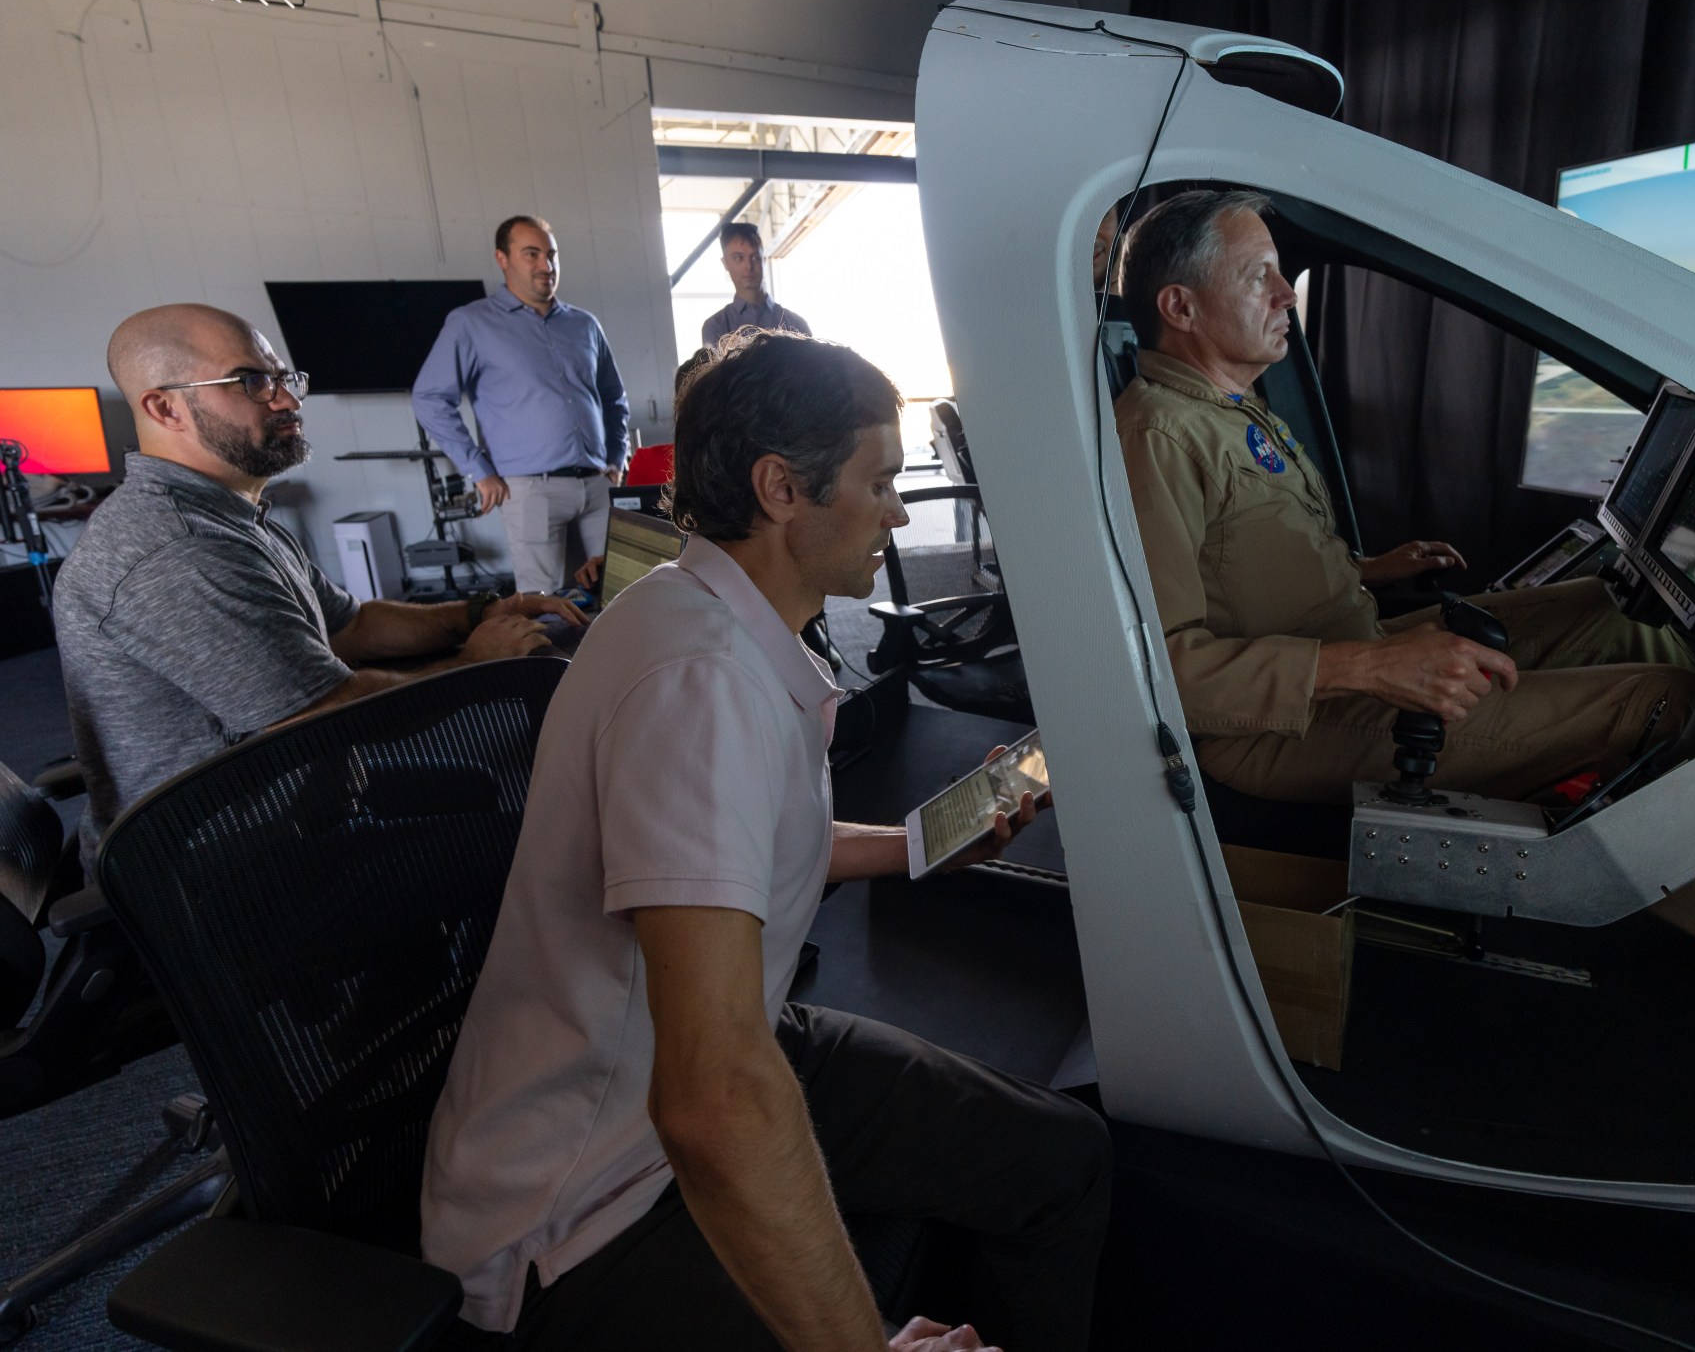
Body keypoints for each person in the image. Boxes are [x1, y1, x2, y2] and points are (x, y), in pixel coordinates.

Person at [1111, 188, 1695, 1056]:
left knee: (1610, 604)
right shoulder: (1159, 433)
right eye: (1256, 275)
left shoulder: (1230, 408)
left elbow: (1239, 565)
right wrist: (1372, 669)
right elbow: (1164, 668)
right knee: (1661, 705)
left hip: (1343, 650)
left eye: (1282, 270)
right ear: (1180, 307)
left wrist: (1365, 572)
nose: (1285, 292)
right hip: (1279, 727)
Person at [421, 331, 1110, 1351]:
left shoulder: (696, 611)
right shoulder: (698, 685)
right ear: (782, 487)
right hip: (587, 1199)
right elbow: (707, 1102)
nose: (900, 512)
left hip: (712, 1046)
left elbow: (731, 845)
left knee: (1061, 1161)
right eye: (879, 482)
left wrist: (918, 846)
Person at [55, 304, 584, 860]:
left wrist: (480, 613)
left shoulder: (227, 515)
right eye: (252, 381)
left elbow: (352, 625)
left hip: (299, 803)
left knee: (481, 791)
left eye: (283, 378)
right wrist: (478, 663)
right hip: (227, 864)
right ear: (165, 408)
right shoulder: (178, 551)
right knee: (536, 861)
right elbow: (326, 716)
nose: (287, 399)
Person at [413, 215, 631, 595]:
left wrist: (617, 457)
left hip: (598, 485)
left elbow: (614, 398)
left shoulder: (585, 325)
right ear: (503, 258)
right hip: (532, 491)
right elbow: (429, 398)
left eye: (551, 255)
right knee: (546, 604)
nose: (546, 266)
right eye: (532, 254)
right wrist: (479, 471)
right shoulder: (471, 324)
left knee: (620, 591)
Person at [701, 222, 812, 347]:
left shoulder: (796, 324)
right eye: (738, 258)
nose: (748, 266)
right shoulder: (716, 327)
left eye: (754, 257)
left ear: (763, 260)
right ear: (725, 263)